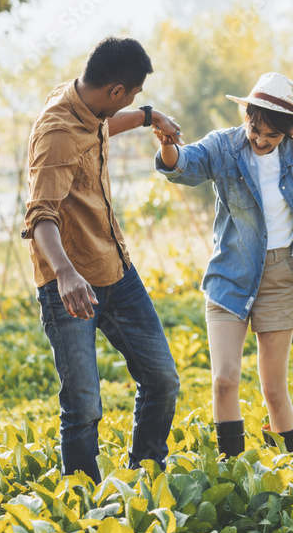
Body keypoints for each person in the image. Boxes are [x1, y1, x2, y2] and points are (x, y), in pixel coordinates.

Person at [155, 72, 293, 459]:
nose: (259, 140)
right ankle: (233, 470)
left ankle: (289, 468)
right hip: (230, 273)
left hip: (279, 276)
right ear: (248, 116)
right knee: (224, 380)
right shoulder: (224, 146)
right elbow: (183, 167)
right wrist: (170, 147)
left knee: (274, 389)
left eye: (271, 135)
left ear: (289, 132)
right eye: (255, 128)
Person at [22, 36, 183, 483]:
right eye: (132, 95)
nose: (133, 100)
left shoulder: (87, 106)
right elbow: (40, 216)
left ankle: (146, 475)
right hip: (70, 285)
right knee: (84, 405)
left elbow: (100, 129)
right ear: (115, 91)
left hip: (116, 269)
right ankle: (83, 503)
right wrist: (67, 275)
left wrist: (149, 117)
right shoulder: (56, 132)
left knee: (162, 380)